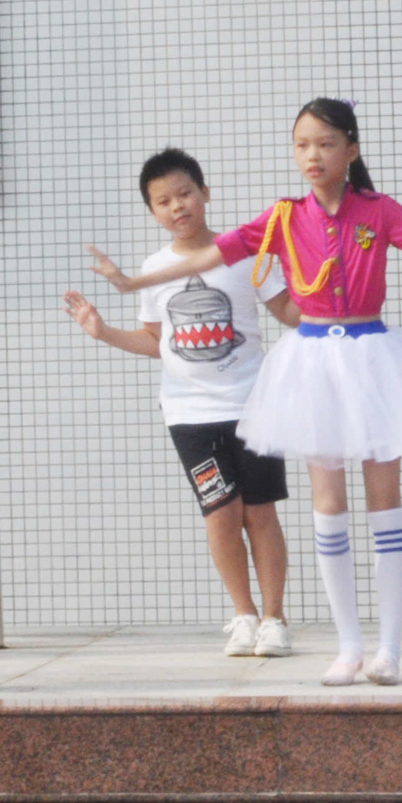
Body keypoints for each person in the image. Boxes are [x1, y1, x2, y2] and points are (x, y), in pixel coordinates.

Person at [91, 99, 402, 688]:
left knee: (385, 503)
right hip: (310, 361)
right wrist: (133, 281)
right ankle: (349, 647)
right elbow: (213, 253)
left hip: (372, 355)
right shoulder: (282, 218)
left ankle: (389, 649)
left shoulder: (378, 211)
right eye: (303, 144)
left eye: (326, 143)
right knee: (327, 506)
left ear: (351, 149)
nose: (314, 154)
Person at [64, 147, 298, 658]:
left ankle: (275, 618)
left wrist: (328, 302)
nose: (177, 207)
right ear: (152, 211)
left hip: (255, 405)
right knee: (220, 511)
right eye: (163, 201)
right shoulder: (154, 269)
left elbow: (288, 311)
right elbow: (157, 341)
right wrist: (102, 332)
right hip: (189, 414)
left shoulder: (247, 254)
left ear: (205, 193)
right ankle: (243, 615)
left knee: (260, 512)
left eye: (185, 193)